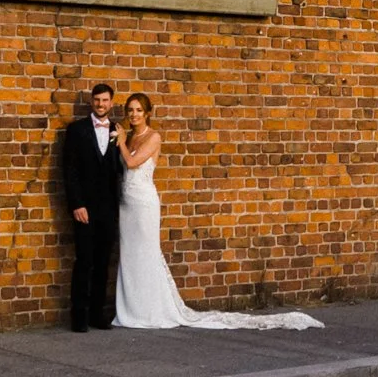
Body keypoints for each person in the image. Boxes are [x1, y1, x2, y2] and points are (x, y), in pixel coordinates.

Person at [111, 92, 322, 331]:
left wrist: (120, 142)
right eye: (130, 110)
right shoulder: (129, 138)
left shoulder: (153, 137)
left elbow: (131, 163)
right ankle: (132, 310)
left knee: (146, 253)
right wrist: (123, 141)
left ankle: (151, 311)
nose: (134, 115)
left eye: (139, 110)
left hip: (145, 203)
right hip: (126, 203)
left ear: (147, 113)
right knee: (130, 254)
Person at [58, 82, 125, 332]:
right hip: (84, 208)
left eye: (105, 100)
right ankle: (79, 317)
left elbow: (120, 168)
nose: (101, 104)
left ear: (111, 102)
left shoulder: (118, 130)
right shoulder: (76, 130)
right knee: (84, 261)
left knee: (103, 261)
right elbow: (70, 170)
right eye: (97, 100)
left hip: (109, 207)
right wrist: (77, 204)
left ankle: (98, 315)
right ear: (91, 102)